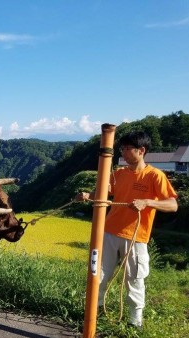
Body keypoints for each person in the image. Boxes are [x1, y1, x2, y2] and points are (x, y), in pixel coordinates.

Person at [76, 131, 178, 327]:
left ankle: (135, 322)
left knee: (135, 279)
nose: (122, 152)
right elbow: (103, 192)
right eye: (121, 148)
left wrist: (147, 202)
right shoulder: (119, 173)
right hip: (109, 232)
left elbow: (172, 205)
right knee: (99, 274)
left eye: (126, 148)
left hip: (136, 237)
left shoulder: (155, 176)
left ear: (141, 151)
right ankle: (93, 316)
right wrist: (88, 195)